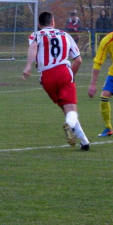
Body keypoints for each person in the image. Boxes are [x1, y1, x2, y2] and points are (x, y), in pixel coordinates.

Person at [22, 11, 90, 151]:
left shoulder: (37, 34)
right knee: (71, 110)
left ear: (39, 25)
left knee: (67, 110)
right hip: (63, 72)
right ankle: (70, 126)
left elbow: (33, 47)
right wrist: (71, 75)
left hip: (46, 77)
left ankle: (84, 142)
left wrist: (28, 65)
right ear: (53, 22)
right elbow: (78, 59)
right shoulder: (65, 35)